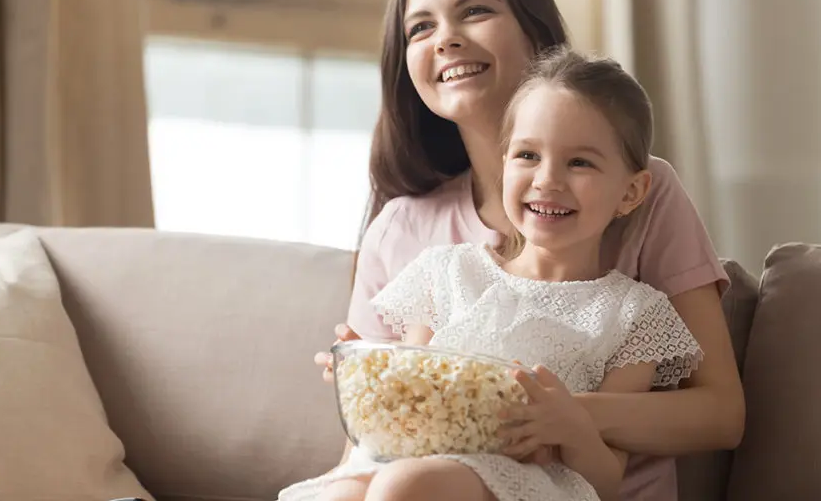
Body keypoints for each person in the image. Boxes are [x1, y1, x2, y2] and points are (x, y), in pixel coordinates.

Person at [314, 0, 745, 499]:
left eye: (474, 11)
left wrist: (551, 413)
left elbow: (719, 413)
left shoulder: (645, 197)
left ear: (536, 32)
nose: (445, 39)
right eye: (421, 27)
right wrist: (367, 381)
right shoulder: (406, 233)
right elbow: (365, 455)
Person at [283, 46, 705, 501]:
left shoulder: (633, 314)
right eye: (527, 155)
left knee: (406, 485)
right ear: (503, 164)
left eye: (579, 162)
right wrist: (370, 376)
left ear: (631, 191)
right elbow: (410, 410)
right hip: (420, 464)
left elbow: (604, 479)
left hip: (532, 486)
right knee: (343, 492)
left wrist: (573, 425)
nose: (547, 179)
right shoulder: (445, 273)